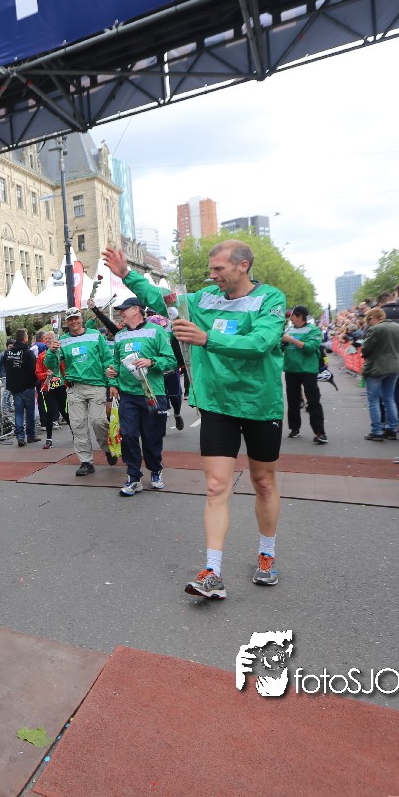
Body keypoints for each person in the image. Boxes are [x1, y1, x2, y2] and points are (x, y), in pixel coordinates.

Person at [105, 240, 286, 599]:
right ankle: (212, 571)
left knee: (263, 482)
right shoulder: (204, 299)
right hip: (217, 404)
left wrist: (207, 338)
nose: (212, 275)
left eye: (219, 269)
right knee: (216, 486)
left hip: (259, 404)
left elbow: (261, 343)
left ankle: (266, 554)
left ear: (243, 265)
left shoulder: (270, 299)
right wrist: (127, 274)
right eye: (211, 269)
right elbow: (165, 300)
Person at [105, 297, 176, 496]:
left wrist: (151, 362)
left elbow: (170, 360)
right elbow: (116, 363)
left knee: (151, 437)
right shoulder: (120, 336)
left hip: (152, 393)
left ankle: (155, 470)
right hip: (128, 394)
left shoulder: (157, 331)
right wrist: (113, 377)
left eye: (124, 309)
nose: (121, 313)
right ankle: (133, 477)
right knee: (128, 436)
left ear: (136, 310)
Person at [48, 307, 115, 476]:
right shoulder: (63, 340)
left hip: (96, 385)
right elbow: (52, 365)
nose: (74, 322)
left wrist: (112, 383)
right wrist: (51, 352)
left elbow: (107, 359)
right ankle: (86, 462)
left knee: (98, 421)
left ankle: (108, 448)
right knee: (78, 425)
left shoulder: (95, 335)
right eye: (70, 319)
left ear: (81, 319)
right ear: (67, 322)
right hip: (74, 388)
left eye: (76, 318)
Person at [359, 308, 399, 441]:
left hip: (376, 367)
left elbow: (366, 348)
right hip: (395, 366)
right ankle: (392, 429)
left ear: (373, 317)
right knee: (389, 398)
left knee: (373, 400)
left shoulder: (375, 329)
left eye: (368, 320)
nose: (368, 323)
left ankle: (377, 431)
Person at [281, 306, 327, 444]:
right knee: (292, 401)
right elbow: (281, 347)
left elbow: (310, 347)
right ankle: (294, 428)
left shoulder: (313, 330)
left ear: (300, 316)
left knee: (313, 401)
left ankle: (319, 432)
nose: (290, 318)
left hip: (308, 370)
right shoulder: (288, 330)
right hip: (291, 370)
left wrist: (291, 340)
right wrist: (281, 342)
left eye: (292, 315)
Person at [2, 328, 39, 446]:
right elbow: (33, 370)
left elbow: (4, 367)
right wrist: (35, 381)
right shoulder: (28, 353)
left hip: (14, 386)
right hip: (27, 386)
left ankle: (20, 437)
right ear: (25, 338)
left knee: (18, 412)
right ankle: (31, 435)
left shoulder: (8, 353)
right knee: (29, 412)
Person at [36, 330, 69, 449]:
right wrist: (46, 375)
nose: (48, 340)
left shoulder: (61, 354)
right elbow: (38, 373)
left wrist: (67, 382)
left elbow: (65, 369)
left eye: (50, 338)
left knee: (64, 411)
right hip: (47, 387)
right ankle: (49, 439)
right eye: (46, 338)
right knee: (49, 411)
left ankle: (75, 433)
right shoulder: (41, 356)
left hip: (60, 386)